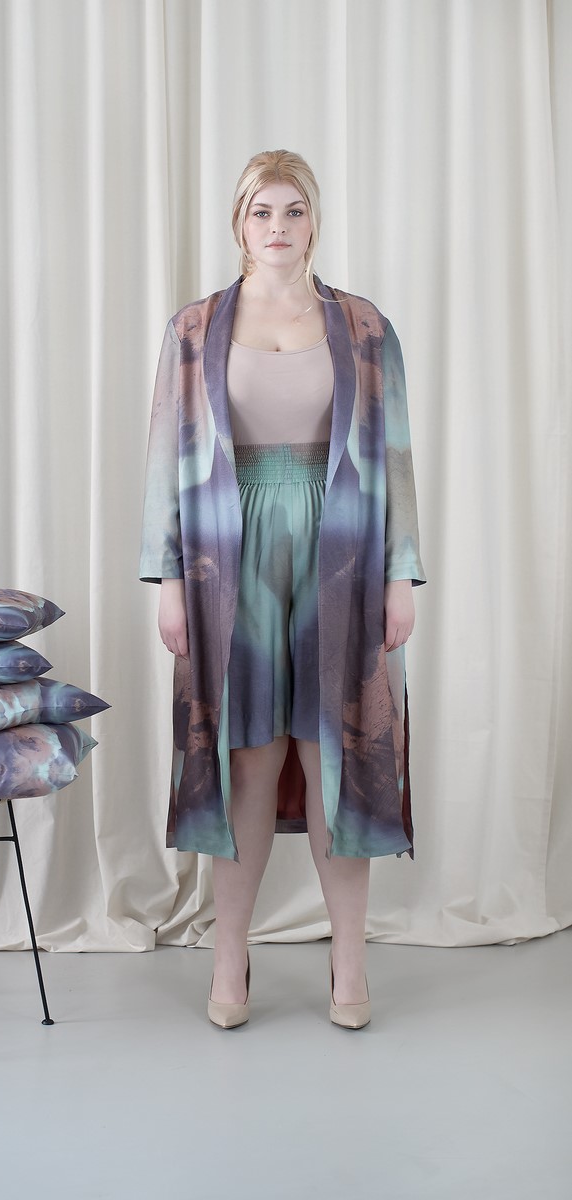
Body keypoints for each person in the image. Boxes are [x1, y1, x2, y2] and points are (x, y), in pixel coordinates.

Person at [139, 150, 425, 1031]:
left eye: (292, 210)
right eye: (261, 211)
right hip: (227, 558)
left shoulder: (363, 326)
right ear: (238, 223)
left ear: (313, 221)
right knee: (248, 757)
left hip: (344, 552)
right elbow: (166, 457)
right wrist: (167, 579)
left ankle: (349, 964)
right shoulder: (194, 329)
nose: (277, 227)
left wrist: (401, 573)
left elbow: (395, 457)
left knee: (336, 755)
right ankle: (230, 959)